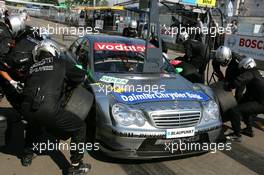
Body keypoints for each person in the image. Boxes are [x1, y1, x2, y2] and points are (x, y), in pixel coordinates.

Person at [20, 39, 91, 175]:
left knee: (33, 123)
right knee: (80, 127)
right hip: (48, 110)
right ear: (54, 51)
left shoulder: (31, 67)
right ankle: (76, 165)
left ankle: (27, 156)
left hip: (26, 110)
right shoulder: (61, 63)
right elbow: (81, 77)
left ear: (38, 53)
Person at [226, 57, 264, 142]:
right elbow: (251, 91)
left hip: (261, 103)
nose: (241, 70)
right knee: (244, 107)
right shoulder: (256, 72)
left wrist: (228, 85)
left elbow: (238, 81)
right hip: (259, 98)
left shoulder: (250, 73)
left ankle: (237, 135)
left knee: (234, 111)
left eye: (242, 68)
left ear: (247, 66)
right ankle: (249, 130)